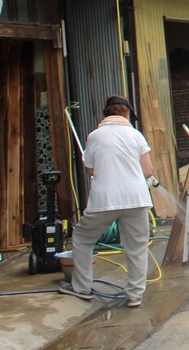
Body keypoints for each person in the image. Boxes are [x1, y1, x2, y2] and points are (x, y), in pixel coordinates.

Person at [59, 95, 156, 308]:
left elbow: (90, 169)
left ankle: (81, 288)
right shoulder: (136, 135)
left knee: (83, 238)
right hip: (136, 198)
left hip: (105, 199)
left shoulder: (94, 136)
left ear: (106, 114)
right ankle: (134, 295)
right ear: (127, 113)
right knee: (136, 247)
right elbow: (148, 170)